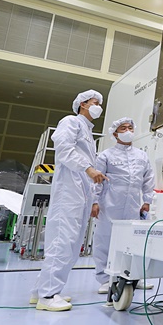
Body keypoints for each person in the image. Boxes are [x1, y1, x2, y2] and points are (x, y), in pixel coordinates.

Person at [31, 90, 107, 312]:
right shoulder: (71, 121)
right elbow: (63, 149)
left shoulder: (88, 134)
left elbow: (86, 170)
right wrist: (88, 168)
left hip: (80, 195)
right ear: (83, 104)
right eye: (95, 103)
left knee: (71, 245)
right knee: (62, 242)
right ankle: (48, 295)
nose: (98, 107)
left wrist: (93, 200)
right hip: (68, 193)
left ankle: (40, 291)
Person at [91, 117, 155, 294]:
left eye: (130, 128)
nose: (128, 131)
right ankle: (105, 279)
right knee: (105, 239)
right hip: (110, 202)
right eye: (123, 128)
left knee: (133, 240)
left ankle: (133, 277)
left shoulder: (142, 156)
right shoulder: (105, 155)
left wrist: (147, 201)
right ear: (115, 133)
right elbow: (96, 181)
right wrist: (94, 201)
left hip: (134, 203)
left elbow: (148, 179)